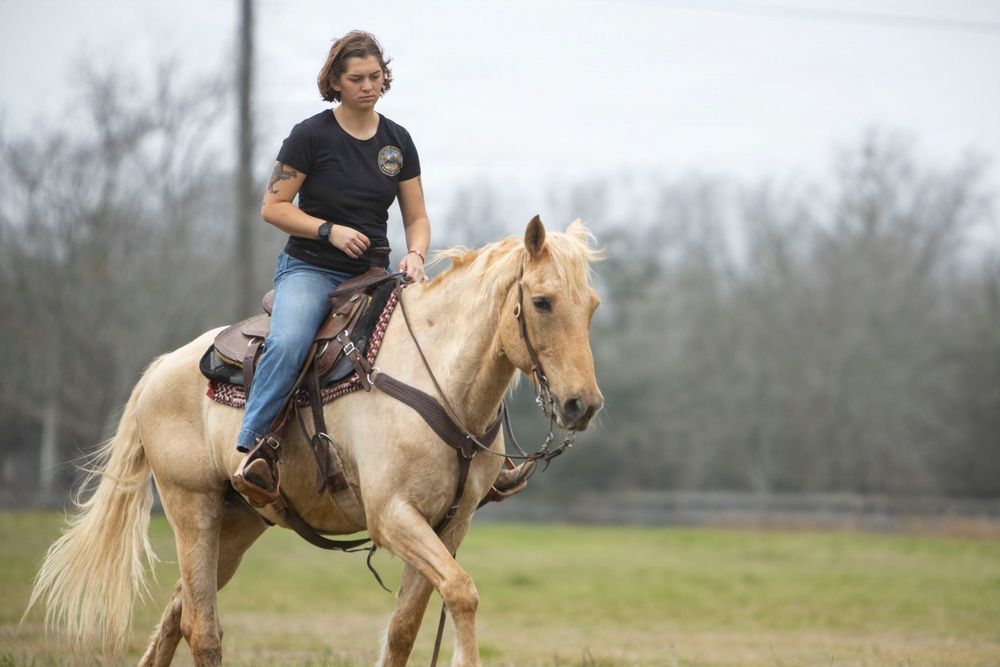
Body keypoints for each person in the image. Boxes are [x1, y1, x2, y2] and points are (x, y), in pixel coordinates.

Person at [233, 31, 531, 504]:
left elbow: (416, 217)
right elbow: (274, 206)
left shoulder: (397, 141)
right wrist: (328, 230)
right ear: (334, 80)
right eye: (356, 79)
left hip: (374, 275)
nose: (368, 86)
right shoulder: (310, 135)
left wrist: (414, 253)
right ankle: (255, 447)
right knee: (289, 342)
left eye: (375, 76)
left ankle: (487, 460)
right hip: (311, 269)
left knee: (442, 340)